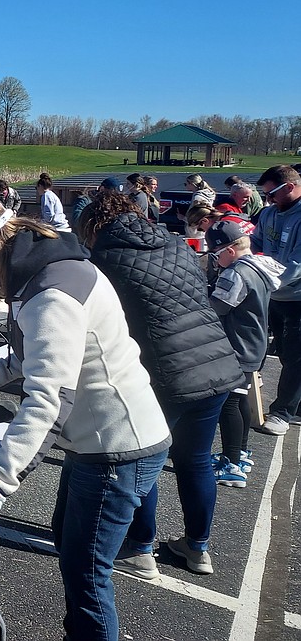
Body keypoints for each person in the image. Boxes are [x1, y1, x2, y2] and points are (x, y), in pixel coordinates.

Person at [0, 198, 170, 640]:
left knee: (86, 574)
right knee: (69, 544)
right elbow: (44, 357)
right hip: (103, 438)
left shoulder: (50, 294)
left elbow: (47, 397)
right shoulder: (47, 268)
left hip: (116, 445)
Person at [78, 191, 245, 579]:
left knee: (142, 456)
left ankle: (140, 548)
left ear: (92, 227)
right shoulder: (175, 244)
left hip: (166, 372)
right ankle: (198, 547)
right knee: (197, 460)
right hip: (215, 362)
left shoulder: (104, 260)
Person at [206, 221, 283, 487]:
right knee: (240, 399)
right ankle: (239, 453)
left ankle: (231, 464)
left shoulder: (236, 274)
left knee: (227, 404)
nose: (214, 260)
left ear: (228, 250)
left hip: (236, 346)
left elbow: (217, 308)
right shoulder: (258, 267)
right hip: (254, 344)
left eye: (215, 254)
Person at [250, 165, 301, 435]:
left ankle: (283, 412)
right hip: (272, 295)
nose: (268, 200)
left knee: (295, 357)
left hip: (297, 297)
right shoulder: (269, 213)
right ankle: (297, 402)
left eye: (272, 194)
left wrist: (268, 278)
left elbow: (297, 263)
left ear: (290, 187)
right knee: (280, 351)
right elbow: (255, 242)